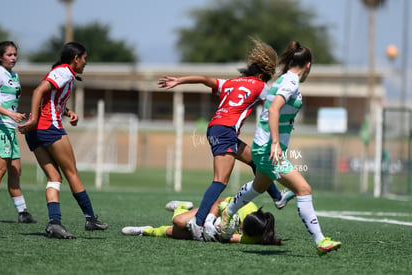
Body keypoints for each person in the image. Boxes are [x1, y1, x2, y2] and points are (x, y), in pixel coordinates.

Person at [158, 38, 294, 241]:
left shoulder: (230, 83)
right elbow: (276, 105)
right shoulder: (259, 86)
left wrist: (179, 80)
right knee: (220, 181)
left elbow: (204, 79)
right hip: (225, 131)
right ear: (260, 75)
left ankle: (277, 197)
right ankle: (198, 221)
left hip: (217, 128)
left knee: (257, 161)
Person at [218, 41, 341, 256]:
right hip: (268, 149)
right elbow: (274, 109)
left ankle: (228, 212)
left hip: (263, 147)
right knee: (304, 189)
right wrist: (275, 143)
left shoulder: (285, 79)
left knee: (258, 187)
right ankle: (320, 240)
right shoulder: (291, 81)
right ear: (308, 65)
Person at [18, 42, 108, 239]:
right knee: (71, 172)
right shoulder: (64, 71)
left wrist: (67, 112)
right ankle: (90, 218)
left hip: (36, 132)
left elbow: (50, 99)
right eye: (84, 59)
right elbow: (38, 91)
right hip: (48, 127)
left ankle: (54, 223)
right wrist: (33, 119)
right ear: (76, 58)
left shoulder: (64, 73)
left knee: (54, 178)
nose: (85, 63)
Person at [122, 199, 283, 246]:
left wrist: (213, 232)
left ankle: (146, 231)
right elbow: (219, 202)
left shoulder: (254, 237)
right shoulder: (244, 205)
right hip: (213, 215)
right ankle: (182, 206)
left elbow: (227, 239)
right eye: (241, 228)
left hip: (211, 232)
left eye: (243, 232)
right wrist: (210, 220)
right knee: (178, 221)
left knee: (174, 232)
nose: (240, 232)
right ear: (245, 218)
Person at [0, 41, 37, 223]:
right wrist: (10, 114)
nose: (13, 57)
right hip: (0, 127)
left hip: (10, 128)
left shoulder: (14, 75)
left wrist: (18, 118)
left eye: (15, 54)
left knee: (16, 170)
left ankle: (22, 212)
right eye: (9, 55)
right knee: (0, 170)